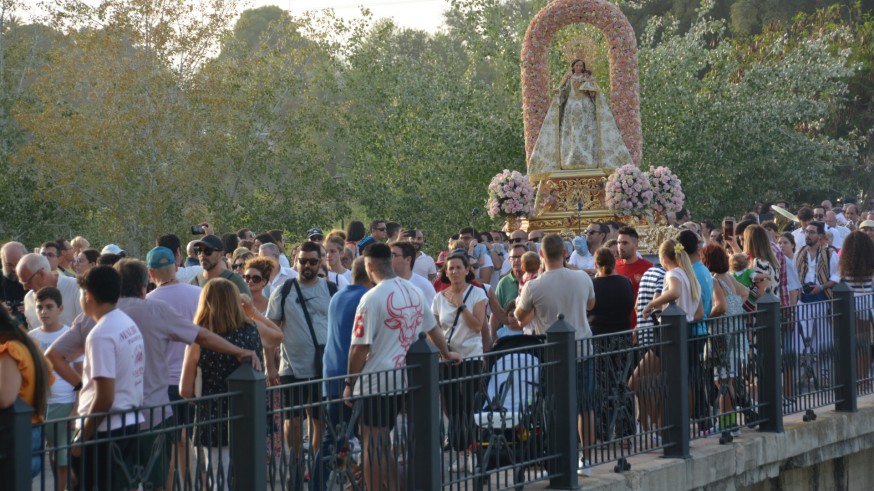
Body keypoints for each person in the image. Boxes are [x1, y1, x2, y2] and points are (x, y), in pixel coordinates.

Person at [343, 243, 460, 491]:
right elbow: (432, 329)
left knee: (372, 445)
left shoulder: (371, 298)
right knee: (383, 444)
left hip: (375, 381)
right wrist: (446, 353)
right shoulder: (413, 290)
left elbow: (359, 348)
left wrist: (349, 382)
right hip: (403, 379)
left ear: (369, 266)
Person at [515, 234, 596, 476]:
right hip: (582, 348)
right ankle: (587, 458)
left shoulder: (534, 285)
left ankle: (558, 456)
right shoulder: (582, 277)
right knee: (585, 406)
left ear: (541, 255)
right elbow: (591, 305)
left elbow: (519, 316)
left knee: (553, 406)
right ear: (564, 253)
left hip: (551, 354)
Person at [180, 279, 268, 491]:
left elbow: (184, 389)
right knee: (248, 473)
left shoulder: (200, 338)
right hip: (249, 411)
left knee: (218, 476)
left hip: (212, 414)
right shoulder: (251, 331)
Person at [70, 265, 145, 491]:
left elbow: (105, 397)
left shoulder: (101, 334)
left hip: (105, 430)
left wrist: (83, 437)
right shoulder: (125, 323)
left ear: (88, 295)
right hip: (128, 420)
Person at [266, 241, 334, 473]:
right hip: (290, 368)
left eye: (312, 262)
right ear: (295, 261)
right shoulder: (283, 291)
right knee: (292, 420)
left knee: (318, 420)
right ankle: (296, 462)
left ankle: (315, 466)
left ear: (320, 262)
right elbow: (270, 332)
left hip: (321, 367)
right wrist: (270, 367)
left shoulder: (331, 290)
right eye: (302, 261)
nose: (307, 265)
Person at [312, 258, 372, 491]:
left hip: (333, 376)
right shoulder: (363, 298)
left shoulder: (338, 295)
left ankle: (353, 476)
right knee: (335, 440)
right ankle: (318, 486)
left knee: (340, 439)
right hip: (349, 378)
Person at [528, 59, 632, 184]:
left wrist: (590, 86)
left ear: (583, 67)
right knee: (571, 133)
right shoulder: (568, 78)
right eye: (577, 65)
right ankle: (569, 159)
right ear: (573, 67)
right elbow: (564, 91)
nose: (578, 67)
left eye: (581, 66)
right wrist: (558, 93)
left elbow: (594, 94)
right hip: (571, 108)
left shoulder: (587, 77)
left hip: (585, 107)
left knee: (586, 132)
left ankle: (588, 159)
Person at [432, 252, 488, 471]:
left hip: (470, 355)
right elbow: (433, 329)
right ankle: (461, 451)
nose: (454, 272)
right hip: (447, 357)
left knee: (468, 407)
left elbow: (477, 325)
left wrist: (461, 306)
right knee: (452, 407)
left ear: (467, 270)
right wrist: (443, 351)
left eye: (458, 267)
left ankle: (473, 452)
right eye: (450, 268)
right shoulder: (438, 297)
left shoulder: (477, 293)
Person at [28, 287, 82, 490]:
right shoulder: (32, 337)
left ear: (60, 308)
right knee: (52, 452)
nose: (44, 312)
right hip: (40, 405)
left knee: (63, 456)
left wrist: (76, 409)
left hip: (64, 401)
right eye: (39, 307)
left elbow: (81, 375)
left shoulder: (69, 335)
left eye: (49, 307)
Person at [700, 244, 750, 434]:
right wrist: (736, 306)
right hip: (736, 332)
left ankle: (727, 423)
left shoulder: (714, 280)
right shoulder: (728, 277)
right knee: (726, 378)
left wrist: (706, 317)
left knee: (722, 380)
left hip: (722, 335)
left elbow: (719, 306)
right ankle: (731, 420)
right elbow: (745, 292)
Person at [587, 247, 635, 442]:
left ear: (596, 264)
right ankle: (626, 430)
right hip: (622, 337)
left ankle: (603, 431)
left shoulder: (593, 285)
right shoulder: (624, 282)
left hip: (600, 340)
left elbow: (589, 307)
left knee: (602, 385)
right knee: (623, 382)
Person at [0, 302, 51, 479]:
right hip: (32, 432)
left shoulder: (11, 350)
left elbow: (5, 398)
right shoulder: (30, 346)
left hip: (14, 438)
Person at [837, 231, 874, 388]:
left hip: (848, 302)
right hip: (865, 302)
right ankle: (863, 379)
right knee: (864, 344)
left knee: (850, 344)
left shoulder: (845, 264)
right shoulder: (868, 262)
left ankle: (853, 379)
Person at [17, 253, 82, 329]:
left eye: (28, 282)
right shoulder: (28, 299)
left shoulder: (75, 287)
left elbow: (86, 327)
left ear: (41, 274)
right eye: (22, 283)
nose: (25, 287)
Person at [615, 226, 653, 330]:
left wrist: (639, 325)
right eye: (618, 243)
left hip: (640, 326)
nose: (620, 246)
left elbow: (654, 298)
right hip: (617, 328)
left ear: (635, 245)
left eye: (625, 243)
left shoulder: (648, 267)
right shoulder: (612, 267)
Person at [1, 241, 27, 326]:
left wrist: (32, 307)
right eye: (9, 265)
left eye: (17, 264)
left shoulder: (34, 277)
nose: (13, 269)